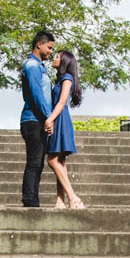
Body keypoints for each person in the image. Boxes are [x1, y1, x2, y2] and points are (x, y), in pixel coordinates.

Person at [45, 50, 85, 209]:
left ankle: (73, 198)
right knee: (60, 161)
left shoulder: (67, 78)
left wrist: (50, 119)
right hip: (58, 117)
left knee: (52, 160)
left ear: (64, 61)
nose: (53, 58)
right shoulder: (60, 79)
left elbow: (62, 102)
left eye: (57, 57)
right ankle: (60, 200)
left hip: (60, 118)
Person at [19, 30, 55, 207]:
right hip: (33, 120)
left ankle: (33, 200)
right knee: (34, 162)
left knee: (37, 162)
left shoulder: (39, 66)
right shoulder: (32, 65)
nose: (51, 52)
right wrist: (48, 117)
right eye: (49, 47)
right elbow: (36, 94)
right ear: (39, 44)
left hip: (38, 120)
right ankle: (29, 200)